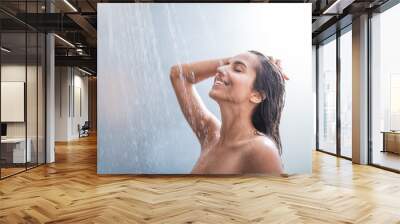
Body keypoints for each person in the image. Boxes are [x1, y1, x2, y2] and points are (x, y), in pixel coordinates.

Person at [170, 51, 287, 174]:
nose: (220, 68)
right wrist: (234, 60)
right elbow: (178, 75)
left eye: (237, 69)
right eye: (226, 64)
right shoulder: (211, 137)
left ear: (257, 95)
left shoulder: (261, 148)